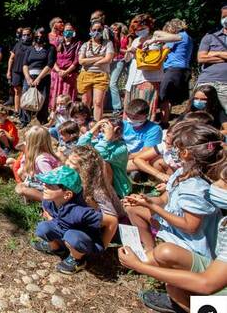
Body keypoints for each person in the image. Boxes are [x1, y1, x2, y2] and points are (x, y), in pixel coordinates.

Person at [118, 166, 227, 313]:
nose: (215, 185)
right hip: (218, 268)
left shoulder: (196, 187)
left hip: (205, 266)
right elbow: (164, 198)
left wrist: (139, 266)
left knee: (177, 286)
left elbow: (206, 284)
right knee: (174, 284)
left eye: (223, 183)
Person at [123, 124, 224, 259]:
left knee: (161, 254)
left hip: (193, 244)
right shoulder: (182, 172)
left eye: (176, 147)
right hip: (176, 227)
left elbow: (190, 227)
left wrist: (152, 207)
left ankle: (175, 263)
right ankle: (149, 250)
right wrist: (145, 201)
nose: (172, 149)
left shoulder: (195, 187)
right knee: (132, 208)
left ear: (185, 152)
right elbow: (164, 199)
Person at [30, 165, 107, 274]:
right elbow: (46, 209)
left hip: (79, 239)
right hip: (63, 231)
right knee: (42, 227)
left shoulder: (80, 211)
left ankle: (77, 259)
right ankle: (56, 247)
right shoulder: (49, 201)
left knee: (72, 236)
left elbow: (105, 222)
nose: (44, 185)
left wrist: (100, 245)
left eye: (51, 185)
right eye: (45, 182)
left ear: (67, 194)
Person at [66, 145, 125, 240]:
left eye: (72, 162)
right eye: (68, 159)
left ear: (85, 168)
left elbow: (112, 216)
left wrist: (103, 244)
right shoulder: (74, 178)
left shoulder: (97, 190)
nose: (67, 163)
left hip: (116, 226)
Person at [123, 14, 167, 123]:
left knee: (143, 109)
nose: (139, 31)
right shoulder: (136, 40)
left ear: (148, 26)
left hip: (148, 79)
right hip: (133, 79)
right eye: (136, 29)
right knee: (131, 109)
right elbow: (128, 59)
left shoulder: (155, 37)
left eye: (142, 28)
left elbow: (177, 38)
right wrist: (129, 51)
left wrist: (152, 41)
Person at [78, 118, 131, 198]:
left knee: (103, 163)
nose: (102, 131)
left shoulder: (121, 148)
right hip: (97, 183)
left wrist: (106, 139)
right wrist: (93, 129)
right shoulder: (100, 142)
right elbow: (79, 147)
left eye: (105, 129)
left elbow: (98, 155)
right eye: (102, 129)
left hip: (117, 189)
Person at [157, 19, 193, 127]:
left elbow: (162, 49)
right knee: (170, 97)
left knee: (164, 97)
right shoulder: (188, 37)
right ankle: (166, 120)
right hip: (183, 69)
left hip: (173, 69)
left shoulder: (177, 37)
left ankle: (164, 122)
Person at [77, 21, 114, 122]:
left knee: (97, 102)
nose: (96, 32)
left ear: (103, 31)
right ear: (90, 30)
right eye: (94, 30)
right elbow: (81, 61)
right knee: (85, 102)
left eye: (99, 30)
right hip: (85, 75)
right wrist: (98, 58)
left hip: (101, 75)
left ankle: (97, 125)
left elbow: (108, 59)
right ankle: (86, 124)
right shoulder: (85, 45)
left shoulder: (108, 43)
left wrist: (90, 61)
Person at [20, 28, 56, 127]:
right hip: (29, 76)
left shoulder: (51, 48)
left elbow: (50, 64)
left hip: (43, 77)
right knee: (25, 99)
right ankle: (24, 120)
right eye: (37, 36)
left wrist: (39, 78)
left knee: (42, 100)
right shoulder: (30, 49)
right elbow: (25, 64)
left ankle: (42, 121)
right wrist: (28, 78)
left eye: (41, 36)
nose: (39, 38)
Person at [15, 125, 61, 202]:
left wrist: (56, 197)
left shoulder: (41, 160)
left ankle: (46, 201)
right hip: (42, 182)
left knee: (20, 188)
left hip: (50, 189)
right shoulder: (43, 155)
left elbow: (52, 180)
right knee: (24, 177)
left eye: (27, 141)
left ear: (32, 143)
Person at [196, 5, 227, 114]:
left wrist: (215, 53)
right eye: (224, 16)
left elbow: (206, 56)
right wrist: (224, 55)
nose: (225, 19)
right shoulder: (210, 36)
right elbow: (201, 58)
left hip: (225, 84)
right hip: (207, 81)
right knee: (202, 115)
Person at [50, 23, 81, 108]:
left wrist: (66, 71)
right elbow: (52, 59)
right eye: (66, 30)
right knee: (55, 96)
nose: (68, 32)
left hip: (70, 74)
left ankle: (68, 117)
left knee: (67, 96)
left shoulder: (77, 43)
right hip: (57, 74)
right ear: (63, 32)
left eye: (70, 30)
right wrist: (59, 70)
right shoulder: (56, 42)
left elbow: (76, 60)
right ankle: (54, 116)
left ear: (74, 32)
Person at [8, 27, 33, 117]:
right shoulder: (17, 44)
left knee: (26, 92)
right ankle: (16, 111)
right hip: (16, 71)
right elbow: (11, 58)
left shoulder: (34, 45)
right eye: (24, 35)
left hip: (28, 72)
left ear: (31, 35)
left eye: (28, 34)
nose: (26, 36)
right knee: (17, 91)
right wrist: (8, 71)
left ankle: (26, 112)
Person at [108, 22, 129, 115]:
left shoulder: (124, 38)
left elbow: (128, 50)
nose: (114, 31)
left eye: (116, 29)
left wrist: (118, 50)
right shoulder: (109, 39)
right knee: (108, 83)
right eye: (112, 29)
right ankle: (109, 105)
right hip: (110, 61)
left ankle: (118, 107)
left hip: (120, 60)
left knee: (113, 83)